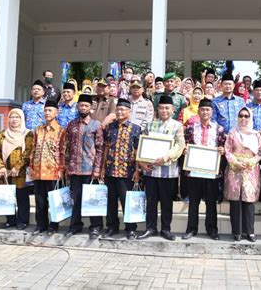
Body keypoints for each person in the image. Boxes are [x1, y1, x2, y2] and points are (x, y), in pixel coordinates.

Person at [137, 95, 185, 241]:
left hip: (168, 172)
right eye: (161, 107)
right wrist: (141, 162)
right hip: (150, 171)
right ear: (157, 109)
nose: (164, 110)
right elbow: (141, 144)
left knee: (166, 202)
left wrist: (165, 157)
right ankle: (150, 228)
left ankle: (166, 229)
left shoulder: (177, 126)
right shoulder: (150, 125)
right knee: (150, 201)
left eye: (167, 108)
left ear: (172, 109)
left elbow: (180, 145)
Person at [182, 99, 226, 241]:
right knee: (193, 201)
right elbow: (186, 146)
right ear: (198, 111)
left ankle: (212, 230)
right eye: (202, 109)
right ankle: (191, 229)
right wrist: (185, 151)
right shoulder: (190, 128)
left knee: (211, 202)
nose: (205, 112)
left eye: (208, 110)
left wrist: (222, 150)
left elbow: (223, 147)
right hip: (194, 170)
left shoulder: (219, 129)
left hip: (211, 171)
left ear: (212, 112)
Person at [64, 94, 104, 239]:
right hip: (74, 169)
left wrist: (97, 169)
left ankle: (96, 226)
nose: (83, 108)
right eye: (81, 105)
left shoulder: (96, 125)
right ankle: (75, 225)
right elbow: (67, 148)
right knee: (76, 199)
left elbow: (100, 149)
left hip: (89, 169)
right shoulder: (72, 125)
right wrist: (67, 167)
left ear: (91, 108)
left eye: (86, 106)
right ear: (78, 106)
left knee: (92, 200)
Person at [102, 98, 142, 239]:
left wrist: (137, 170)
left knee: (127, 201)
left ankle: (130, 228)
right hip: (110, 170)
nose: (119, 112)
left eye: (123, 109)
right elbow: (106, 147)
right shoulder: (110, 127)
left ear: (129, 112)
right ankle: (112, 227)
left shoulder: (136, 129)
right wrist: (102, 168)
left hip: (127, 171)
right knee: (111, 201)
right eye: (118, 109)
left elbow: (138, 151)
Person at [225, 107, 261, 242]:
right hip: (234, 169)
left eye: (246, 116)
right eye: (241, 116)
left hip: (250, 170)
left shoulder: (255, 134)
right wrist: (235, 162)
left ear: (250, 117)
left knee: (249, 201)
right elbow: (227, 150)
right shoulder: (232, 132)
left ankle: (250, 232)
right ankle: (236, 232)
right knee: (235, 201)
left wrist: (251, 162)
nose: (243, 119)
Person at [0, 109, 33, 230]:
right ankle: (10, 220)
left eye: (17, 117)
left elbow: (28, 152)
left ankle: (22, 221)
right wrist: (0, 166)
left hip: (21, 172)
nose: (14, 119)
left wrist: (17, 167)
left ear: (22, 119)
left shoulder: (27, 134)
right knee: (6, 196)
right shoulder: (3, 134)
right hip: (4, 171)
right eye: (11, 117)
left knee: (22, 196)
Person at [30, 99, 66, 235]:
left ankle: (54, 225)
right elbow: (33, 149)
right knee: (39, 200)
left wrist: (61, 169)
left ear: (56, 112)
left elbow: (63, 151)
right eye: (45, 110)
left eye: (50, 110)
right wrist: (31, 166)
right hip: (38, 170)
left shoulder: (61, 131)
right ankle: (41, 225)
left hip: (53, 171)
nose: (47, 112)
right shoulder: (38, 130)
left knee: (53, 200)